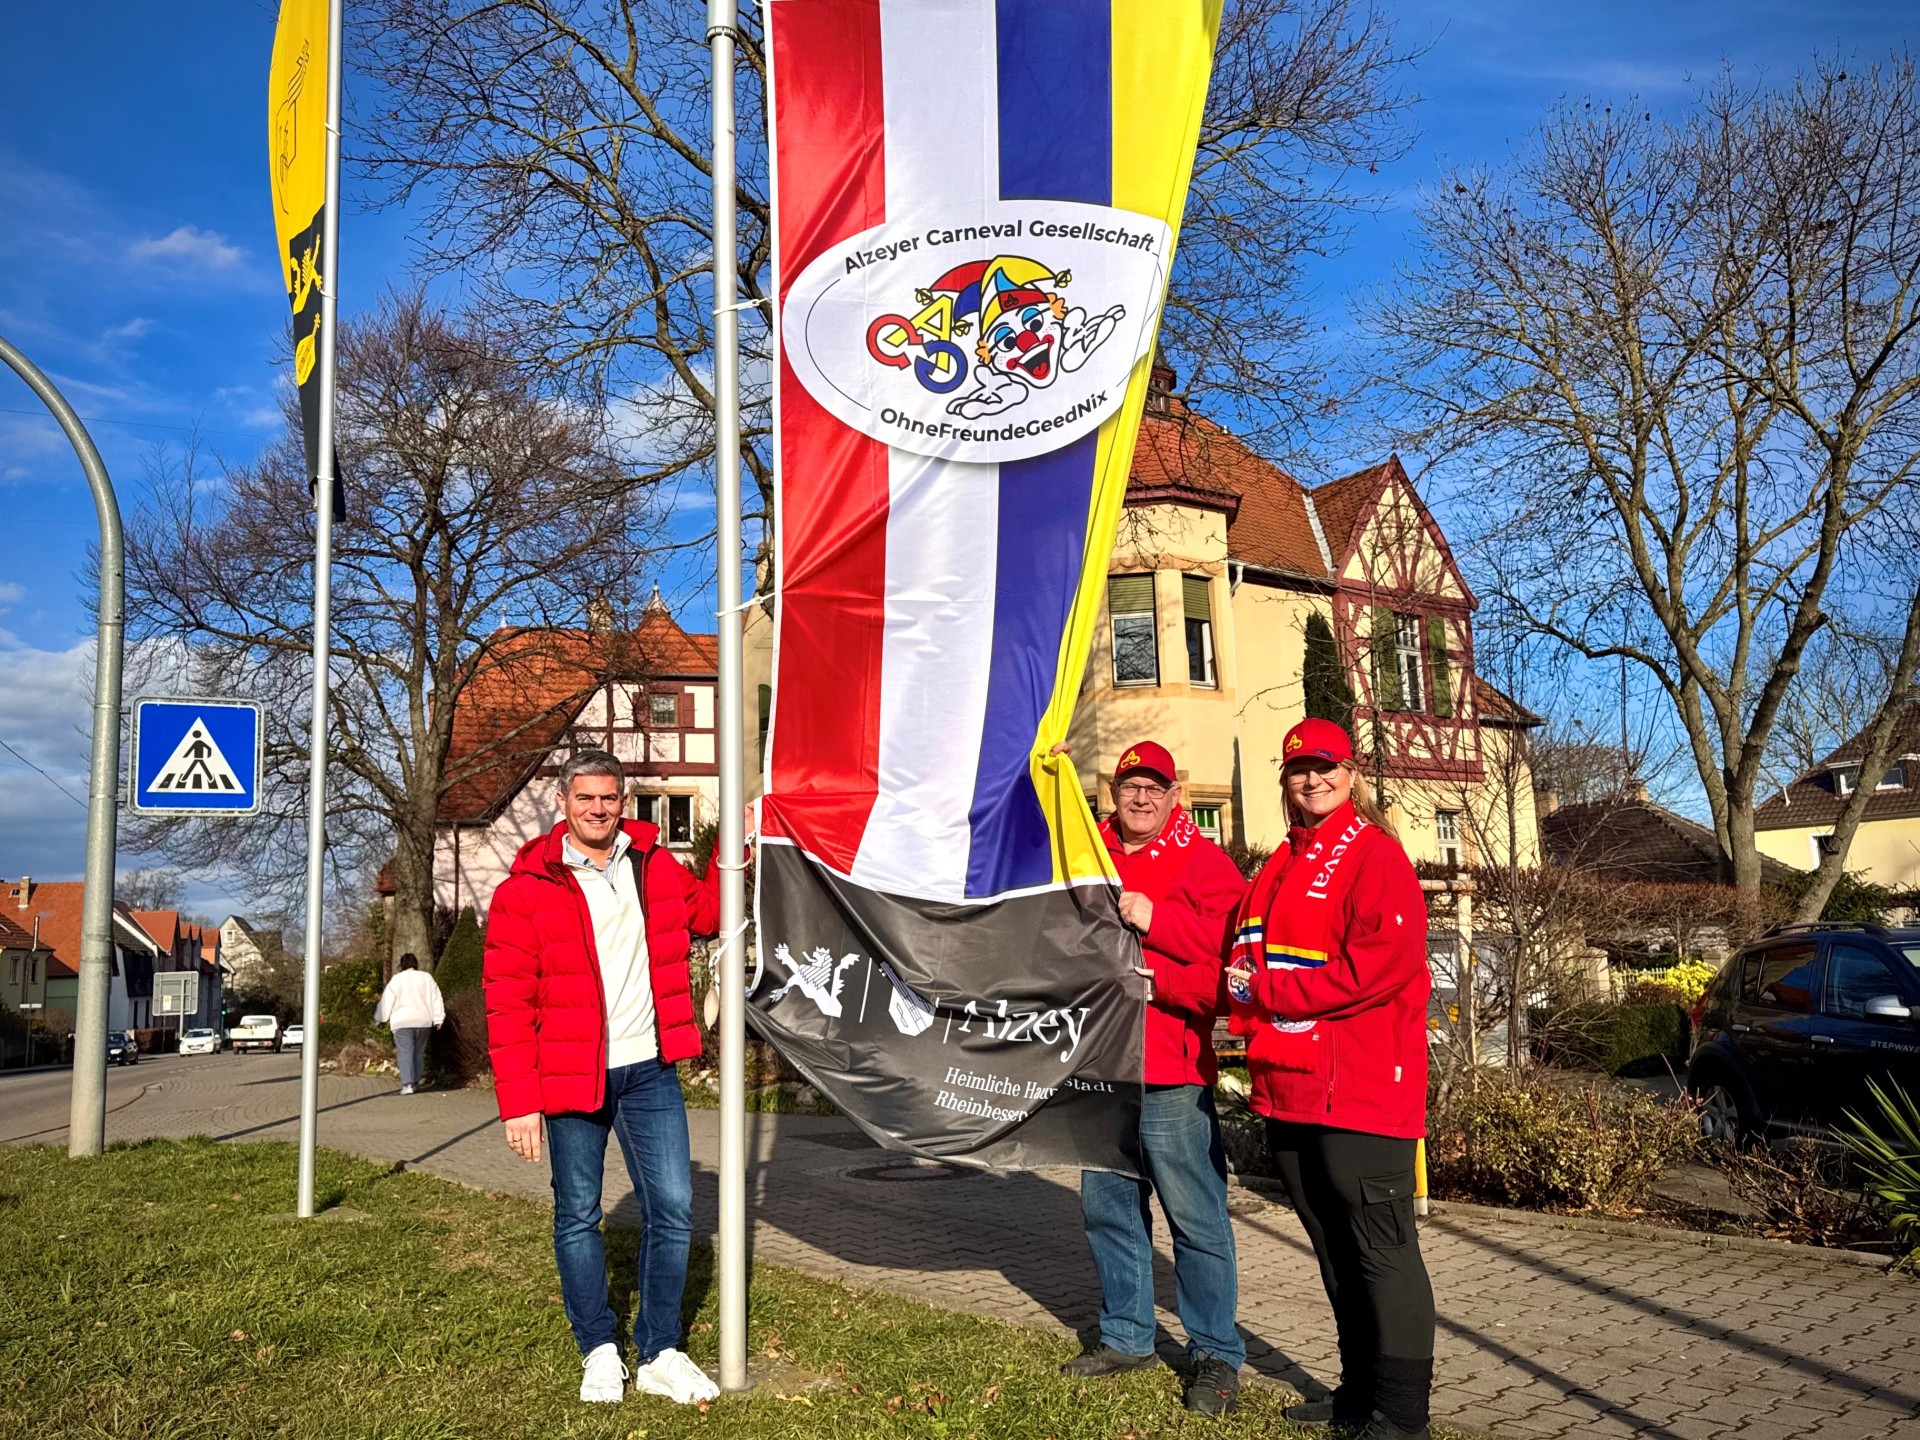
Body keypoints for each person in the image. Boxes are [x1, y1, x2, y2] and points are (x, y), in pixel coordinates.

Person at [483, 749, 723, 1406]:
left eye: (609, 798)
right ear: (564, 802)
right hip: (569, 1076)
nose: (598, 809)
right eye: (585, 798)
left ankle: (661, 1350)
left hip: (649, 1069)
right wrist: (518, 1103)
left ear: (624, 802)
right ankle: (598, 1348)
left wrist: (736, 851)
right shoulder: (525, 890)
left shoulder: (653, 864)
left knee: (673, 1209)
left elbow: (707, 916)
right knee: (577, 1216)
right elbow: (507, 1002)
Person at [1227, 718, 1436, 1440]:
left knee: (1382, 1250)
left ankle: (1404, 1418)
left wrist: (1272, 995)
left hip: (1362, 1090)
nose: (1310, 779)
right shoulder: (1279, 863)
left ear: (1350, 776)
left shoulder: (1375, 855)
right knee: (1333, 1247)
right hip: (1291, 1086)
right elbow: (1243, 960)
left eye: (1324, 767)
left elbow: (1385, 963)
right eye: (1297, 770)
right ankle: (1356, 1395)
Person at [1064, 740, 1250, 1417]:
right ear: (1112, 792)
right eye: (1128, 785)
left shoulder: (1206, 863)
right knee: (1107, 1208)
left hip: (1171, 1070)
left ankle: (1216, 1355)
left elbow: (1231, 972)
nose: (1139, 797)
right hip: (1099, 1067)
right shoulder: (1084, 849)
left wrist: (1155, 921)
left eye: (1154, 786)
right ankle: (1126, 1335)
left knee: (1196, 1218)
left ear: (1176, 795)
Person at [374, 952, 444, 1094]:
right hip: (423, 1021)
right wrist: (438, 1018)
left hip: (402, 1022)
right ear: (415, 964)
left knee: (405, 1052)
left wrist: (380, 1018)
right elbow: (436, 997)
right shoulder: (426, 978)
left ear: (401, 965)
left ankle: (408, 1084)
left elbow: (387, 1001)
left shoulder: (396, 980)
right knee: (418, 1053)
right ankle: (416, 1081)